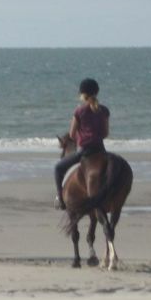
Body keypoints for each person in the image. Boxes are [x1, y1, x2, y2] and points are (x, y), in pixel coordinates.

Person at [54, 78, 110, 210]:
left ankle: (61, 199)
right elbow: (105, 134)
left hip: (84, 151)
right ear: (97, 92)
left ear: (82, 94)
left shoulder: (79, 111)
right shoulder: (104, 110)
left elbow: (72, 135)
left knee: (58, 168)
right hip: (101, 150)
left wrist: (83, 136)